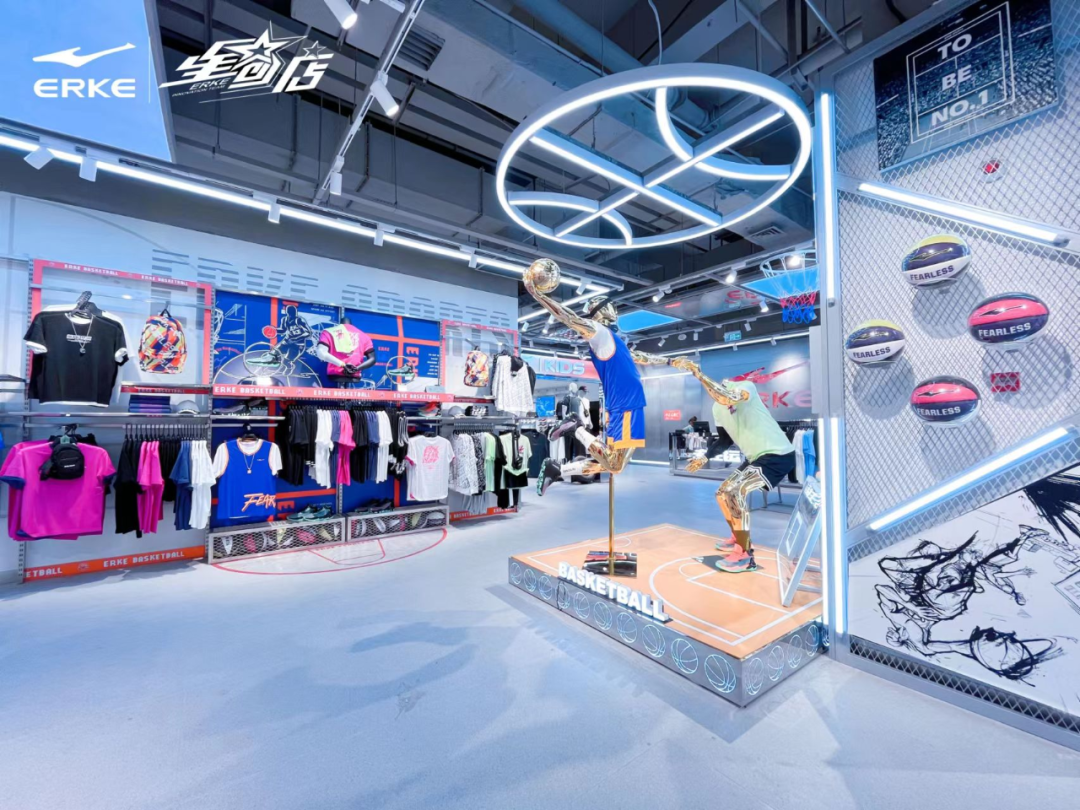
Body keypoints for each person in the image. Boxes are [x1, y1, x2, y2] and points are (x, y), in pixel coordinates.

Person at [524, 260, 671, 494]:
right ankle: (575, 427)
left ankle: (558, 470)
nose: (615, 310)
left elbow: (639, 357)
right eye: (610, 306)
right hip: (624, 403)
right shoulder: (598, 331)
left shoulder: (613, 338)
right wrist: (537, 295)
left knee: (615, 463)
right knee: (614, 463)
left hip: (631, 402)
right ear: (600, 311)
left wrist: (671, 361)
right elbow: (569, 318)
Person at [676, 357, 795, 573]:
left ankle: (745, 555)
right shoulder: (717, 409)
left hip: (777, 454)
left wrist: (698, 374)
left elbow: (729, 397)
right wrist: (704, 457)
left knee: (734, 492)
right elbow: (724, 441)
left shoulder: (745, 388)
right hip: (754, 457)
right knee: (722, 493)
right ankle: (738, 536)